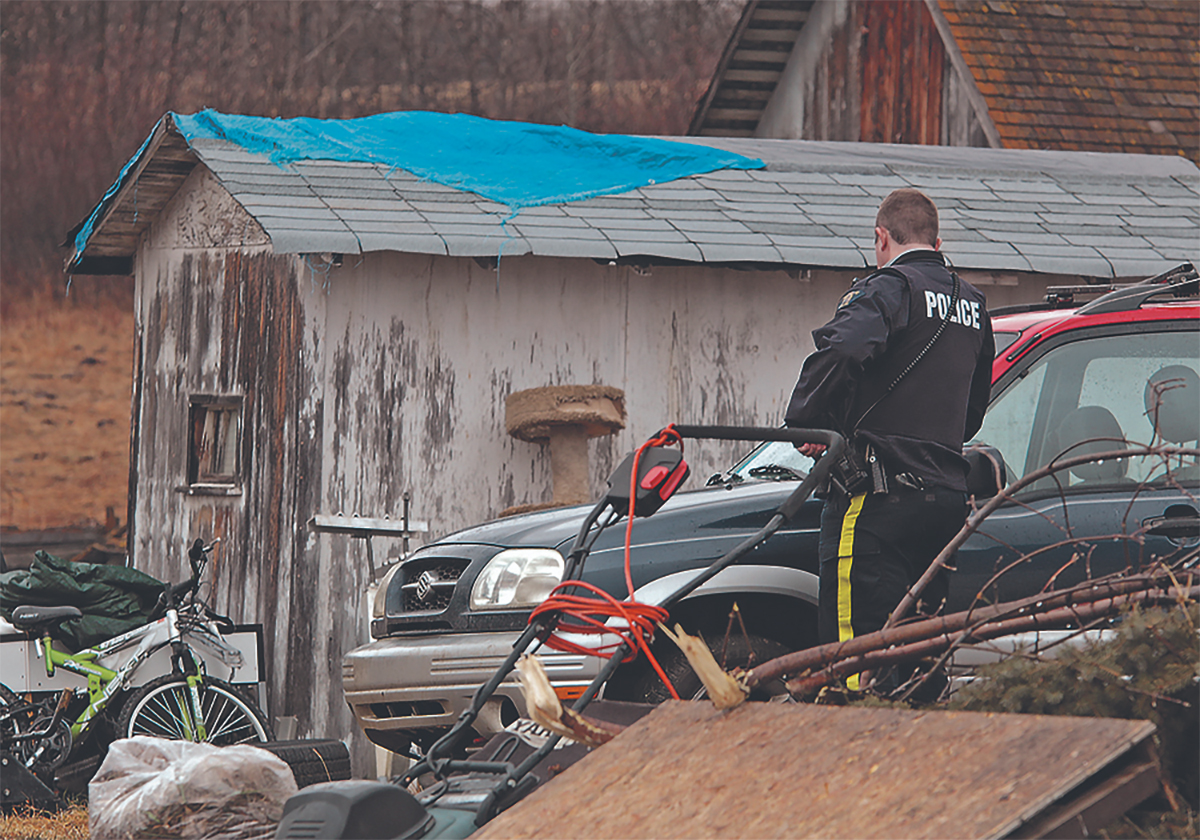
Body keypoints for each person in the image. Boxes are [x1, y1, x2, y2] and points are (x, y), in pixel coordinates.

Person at [784, 188, 994, 690]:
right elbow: (972, 410)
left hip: (876, 501)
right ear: (937, 242)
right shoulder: (973, 305)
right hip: (945, 501)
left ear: (881, 237)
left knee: (854, 658)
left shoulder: (887, 289)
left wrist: (808, 422)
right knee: (924, 652)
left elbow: (844, 350)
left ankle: (853, 748)